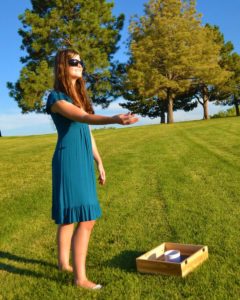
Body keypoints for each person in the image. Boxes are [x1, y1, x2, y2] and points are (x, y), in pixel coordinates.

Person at [46, 49, 139, 290]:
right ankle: (80, 279)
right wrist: (114, 119)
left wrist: (99, 161)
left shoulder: (80, 97)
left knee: (72, 217)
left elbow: (87, 131)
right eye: (73, 61)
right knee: (85, 218)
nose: (79, 65)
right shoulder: (56, 98)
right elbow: (84, 119)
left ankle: (64, 265)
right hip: (68, 160)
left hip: (83, 159)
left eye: (81, 62)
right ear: (61, 66)